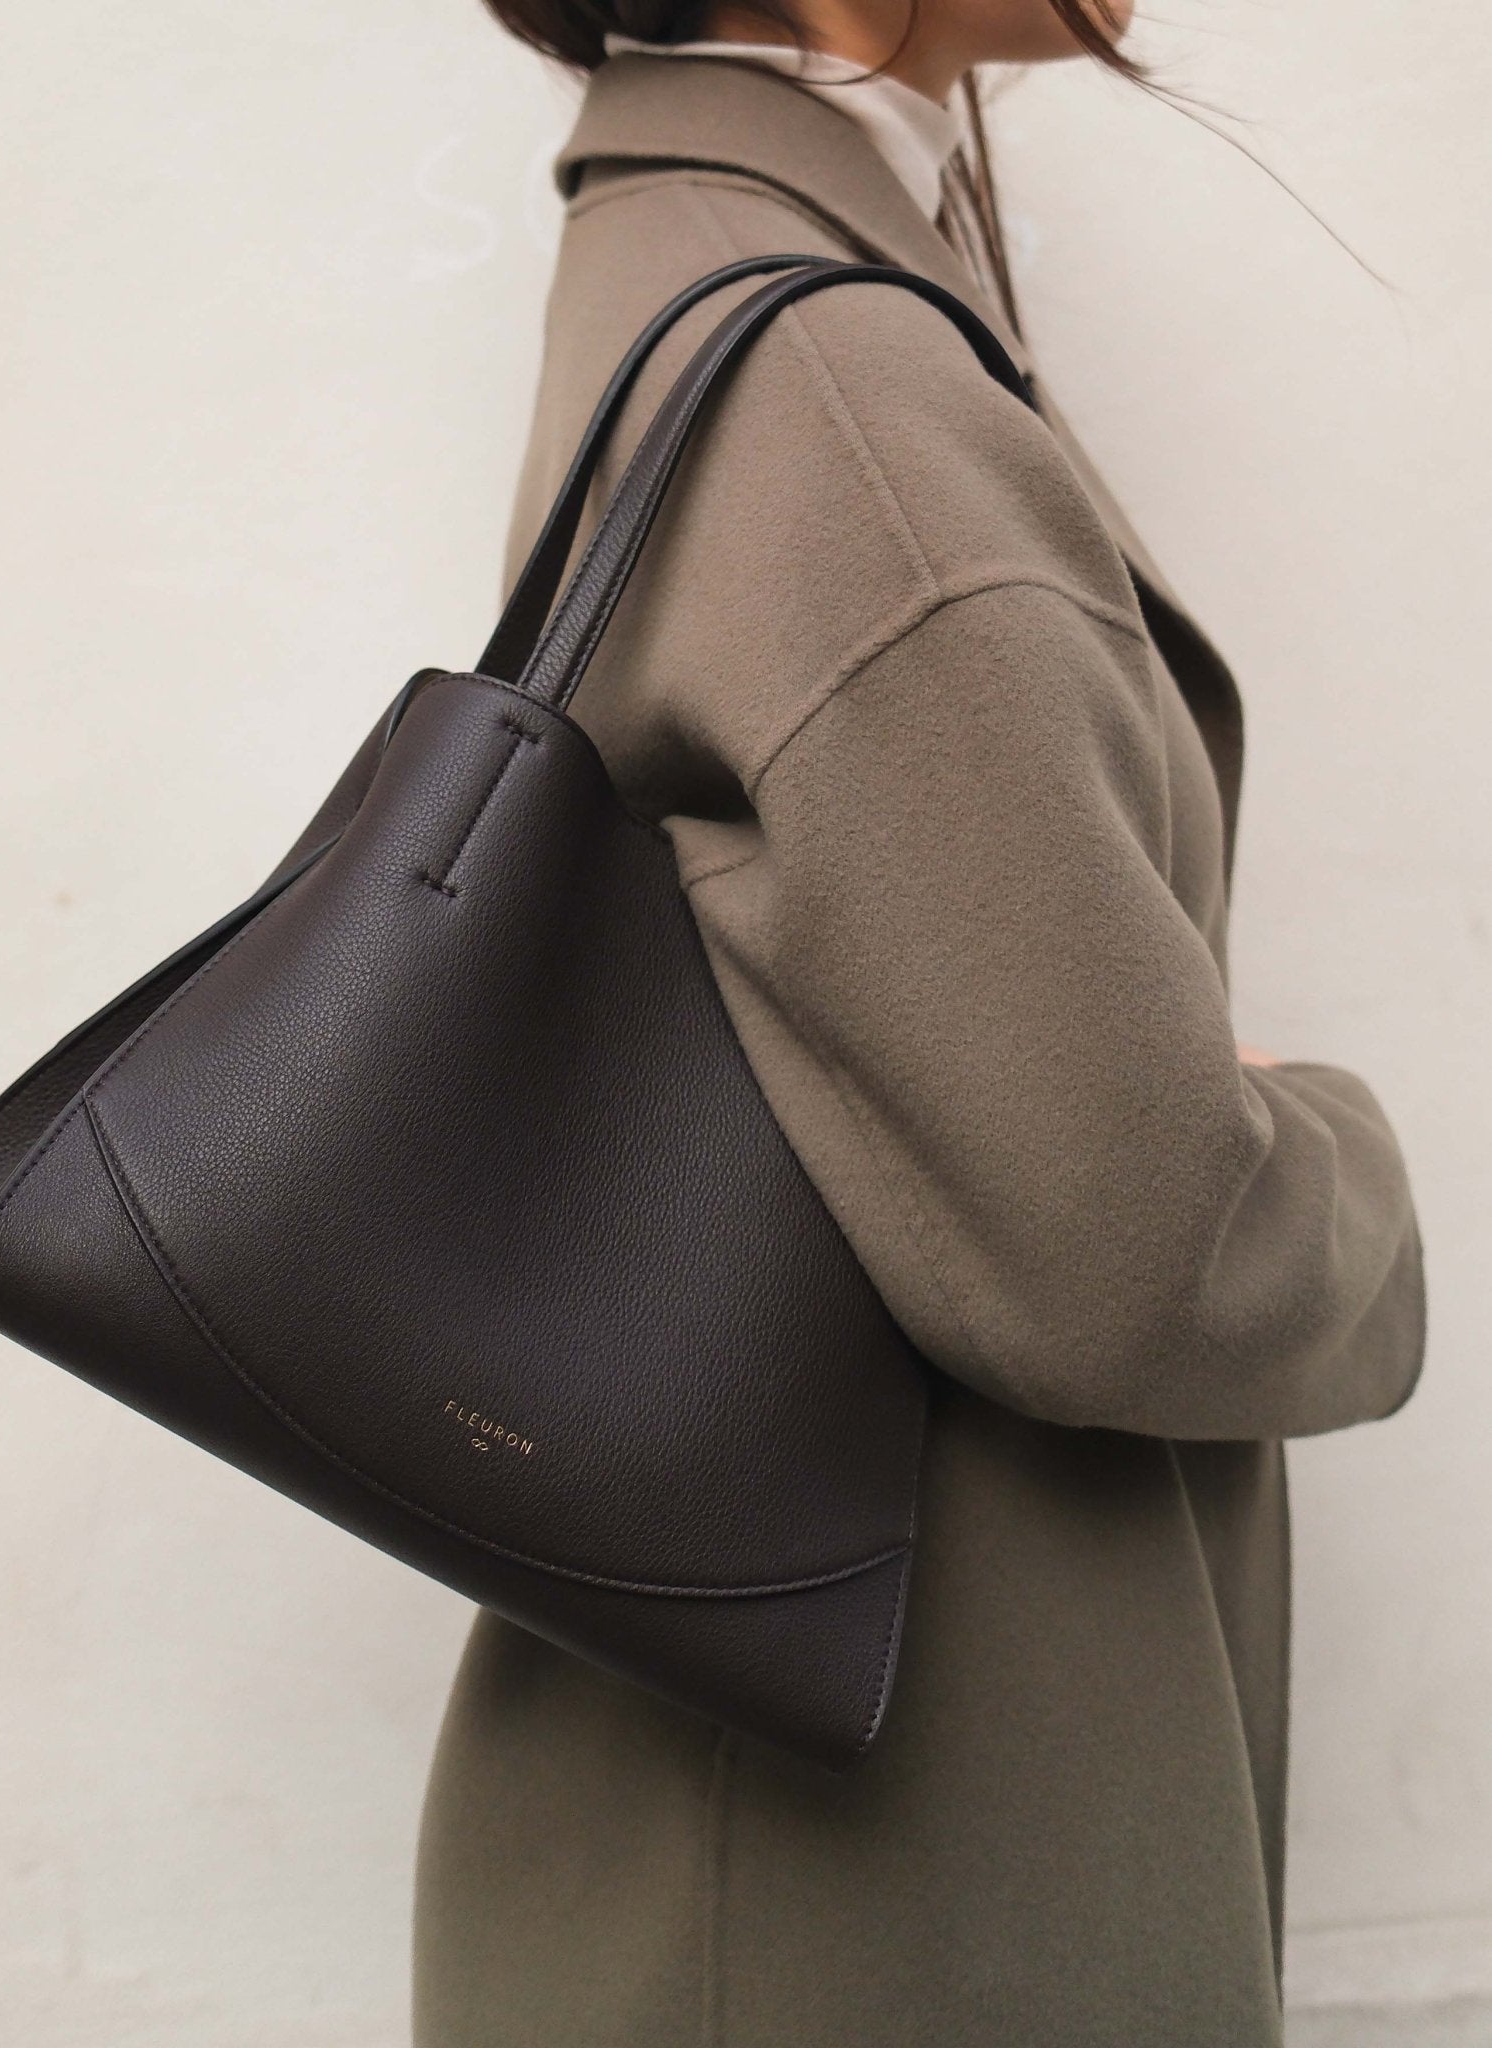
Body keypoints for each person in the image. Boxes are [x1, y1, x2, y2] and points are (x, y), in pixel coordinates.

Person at [413, 5, 1427, 2043]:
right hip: (902, 1859)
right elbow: (1130, 1247)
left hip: (811, 1769)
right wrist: (1344, 1166)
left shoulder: (710, 258)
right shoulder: (832, 382)